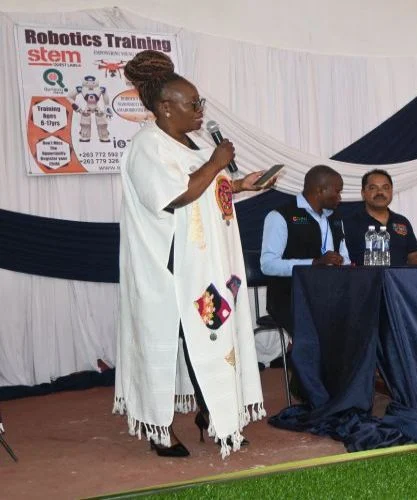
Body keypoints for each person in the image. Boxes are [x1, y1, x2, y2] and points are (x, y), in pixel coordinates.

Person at [114, 50, 269, 459]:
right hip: (168, 269)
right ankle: (159, 426)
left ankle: (214, 414)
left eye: (200, 103)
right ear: (166, 107)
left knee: (210, 336)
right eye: (193, 103)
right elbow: (176, 195)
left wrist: (241, 185)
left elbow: (205, 191)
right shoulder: (148, 146)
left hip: (204, 266)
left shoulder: (192, 143)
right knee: (168, 342)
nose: (201, 111)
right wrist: (217, 162)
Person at [260, 165, 350, 335]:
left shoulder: (336, 218)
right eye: (337, 191)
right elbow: (268, 265)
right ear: (320, 190)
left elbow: (344, 257)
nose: (340, 197)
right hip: (291, 296)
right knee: (321, 329)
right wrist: (314, 263)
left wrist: (344, 264)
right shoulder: (281, 215)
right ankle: (302, 349)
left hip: (330, 292)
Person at [344, 169, 417, 266]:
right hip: (363, 276)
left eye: (385, 187)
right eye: (373, 188)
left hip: (397, 277)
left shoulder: (402, 222)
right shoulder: (350, 223)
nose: (380, 192)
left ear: (391, 191)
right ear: (363, 193)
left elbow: (414, 258)